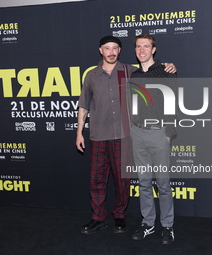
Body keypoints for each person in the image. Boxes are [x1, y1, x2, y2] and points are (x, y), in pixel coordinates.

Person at [76, 35, 176, 235]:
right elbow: (84, 105)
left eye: (115, 48)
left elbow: (153, 72)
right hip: (98, 135)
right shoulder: (91, 75)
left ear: (120, 51)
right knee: (97, 179)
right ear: (101, 50)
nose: (111, 52)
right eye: (107, 48)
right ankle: (98, 217)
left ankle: (120, 215)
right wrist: (79, 132)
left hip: (125, 135)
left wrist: (169, 66)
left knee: (124, 180)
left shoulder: (130, 71)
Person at [129, 33, 177, 244]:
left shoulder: (167, 72)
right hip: (138, 133)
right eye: (138, 47)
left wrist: (169, 134)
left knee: (163, 184)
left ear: (153, 49)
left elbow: (174, 103)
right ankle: (148, 223)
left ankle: (167, 226)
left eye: (146, 46)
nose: (142, 50)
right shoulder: (134, 75)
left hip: (159, 133)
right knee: (144, 183)